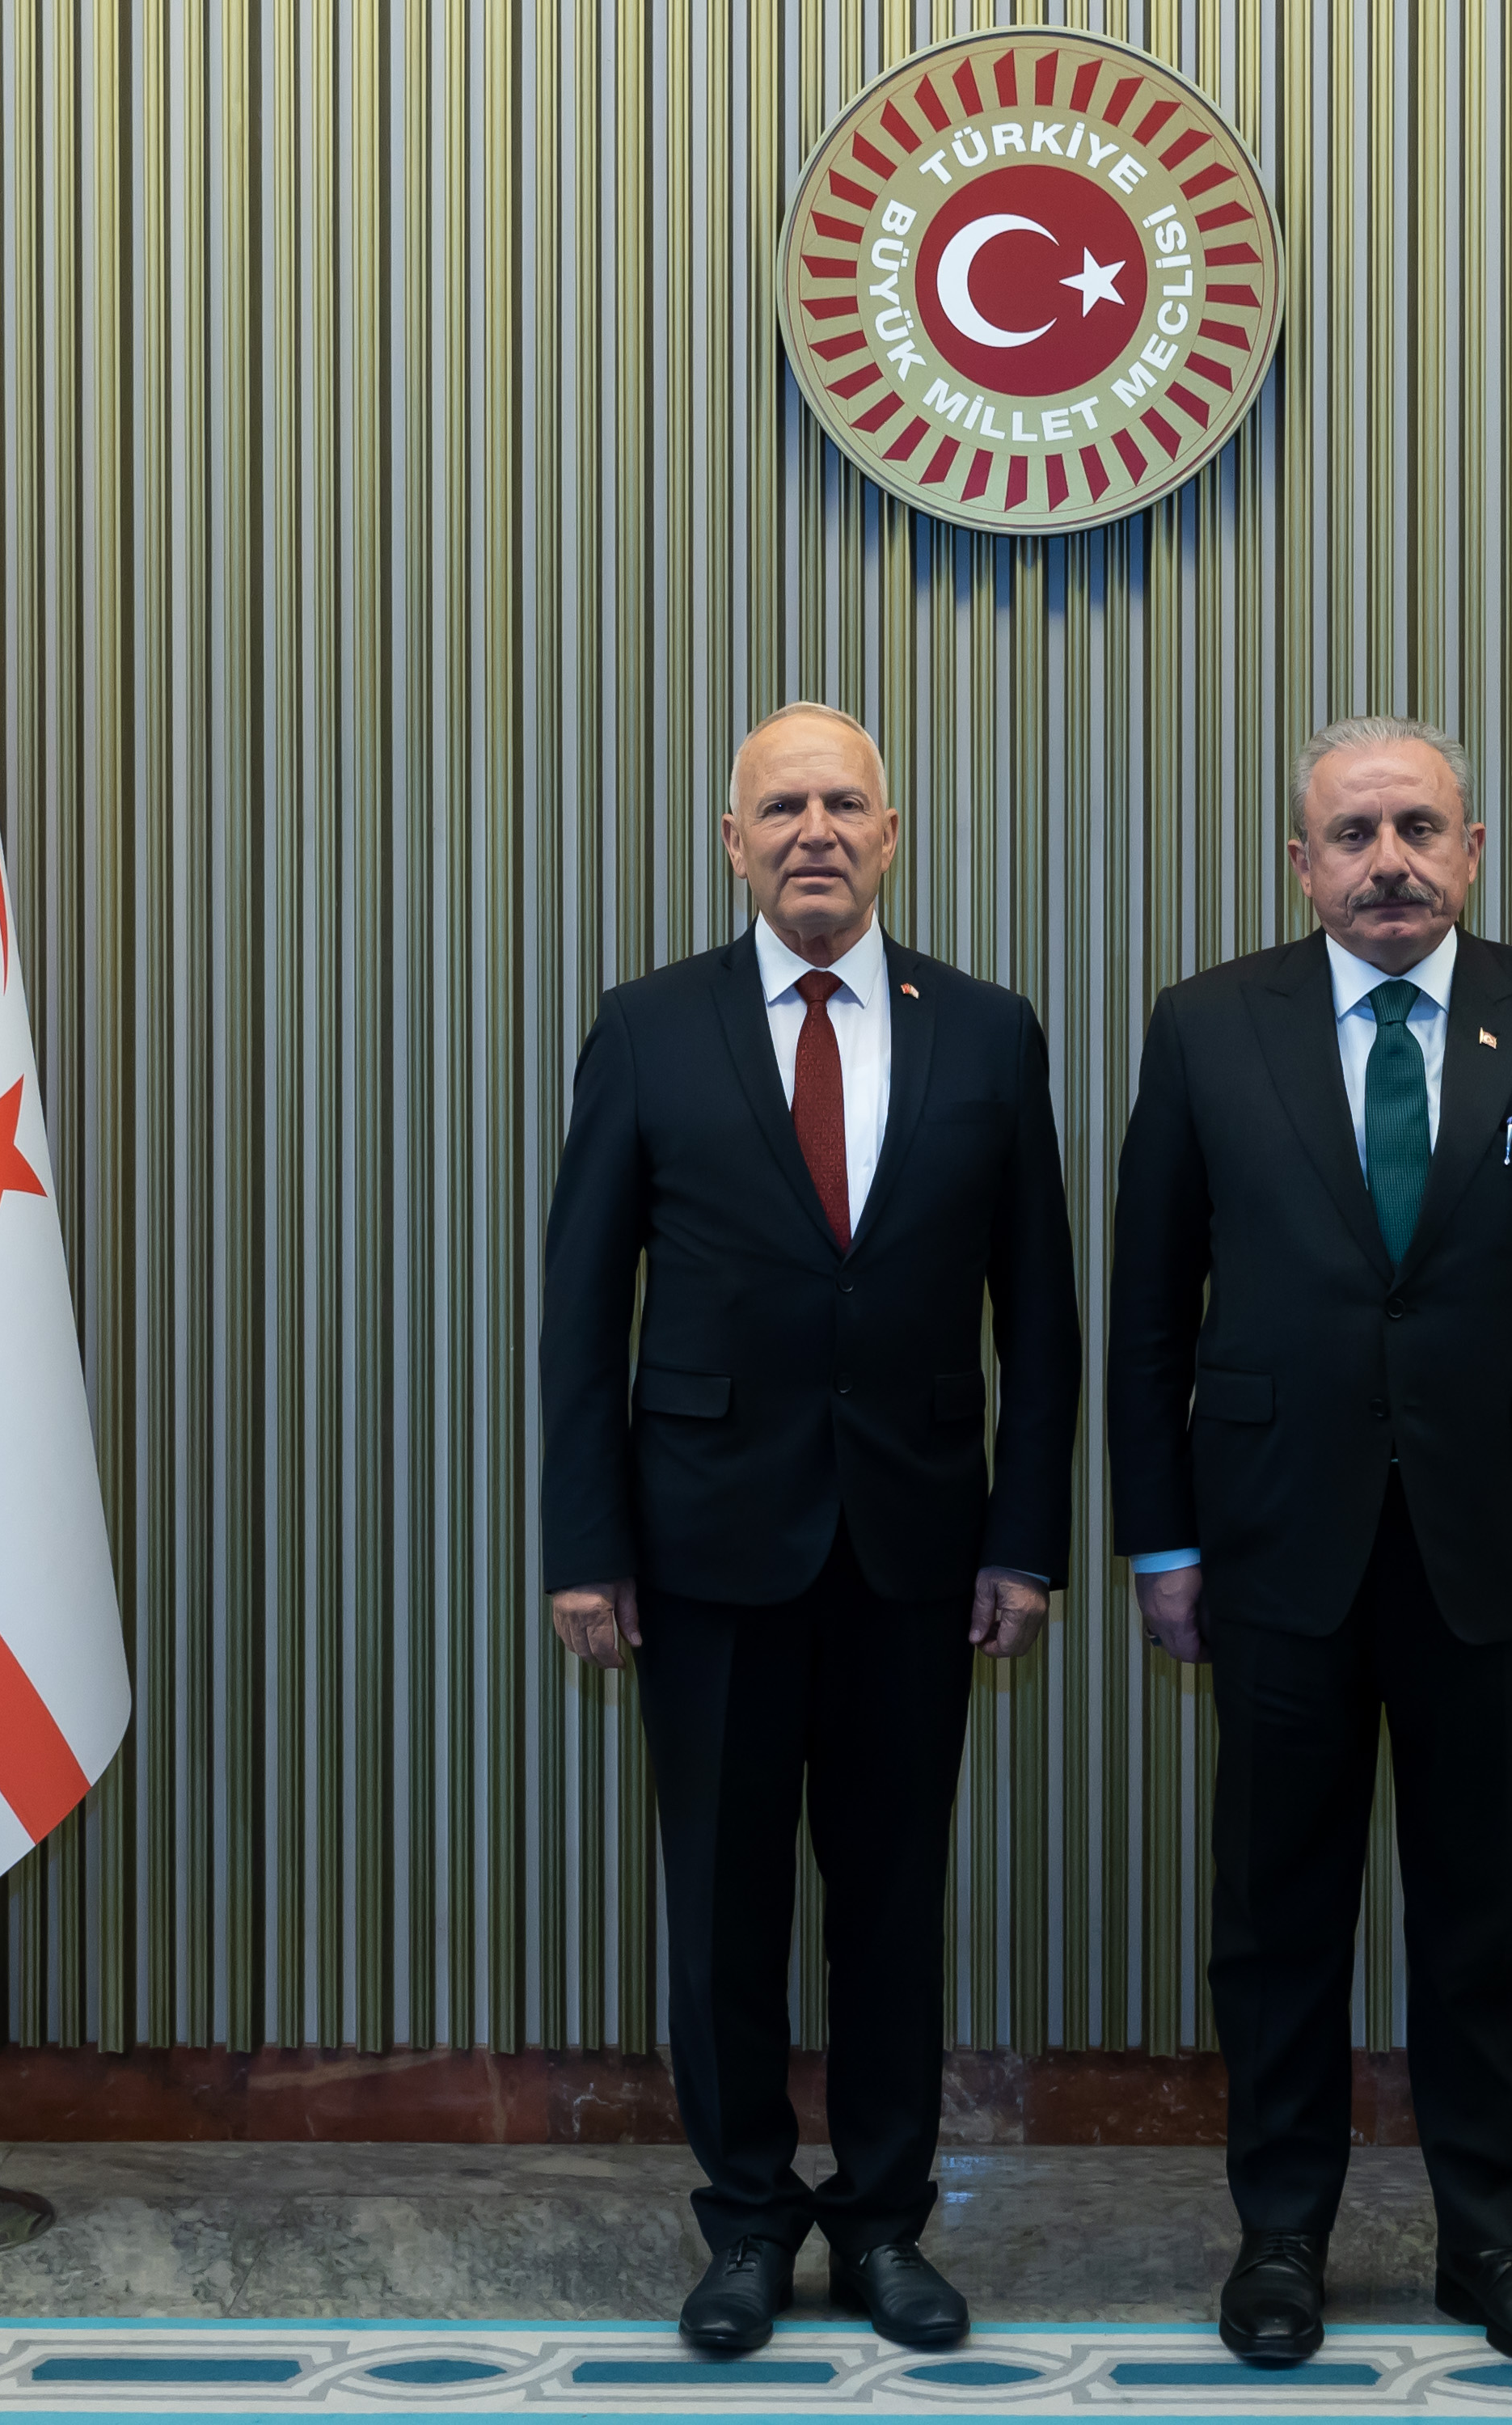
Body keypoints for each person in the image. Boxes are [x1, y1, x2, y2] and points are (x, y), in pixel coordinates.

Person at [1106, 716, 1512, 2374]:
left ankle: (1493, 2243)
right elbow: (1148, 1316)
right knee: (1276, 1921)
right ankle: (1280, 2237)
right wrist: (1160, 1543)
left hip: (1503, 1556)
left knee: (1486, 1922)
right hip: (1274, 1548)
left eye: (1419, 829)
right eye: (1353, 835)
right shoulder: (1207, 1025)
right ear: (1301, 865)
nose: (1389, 863)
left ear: (1473, 849)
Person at [539, 702, 1083, 2356]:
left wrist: (1025, 1540)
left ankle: (886, 2223)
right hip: (704, 1552)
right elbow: (583, 1311)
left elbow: (1042, 1317)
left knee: (893, 1908)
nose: (815, 832)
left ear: (892, 834)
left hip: (917, 1552)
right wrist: (585, 1547)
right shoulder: (649, 1027)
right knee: (722, 1907)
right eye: (782, 808)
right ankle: (749, 2224)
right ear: (734, 843)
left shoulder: (988, 1032)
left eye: (846, 803)